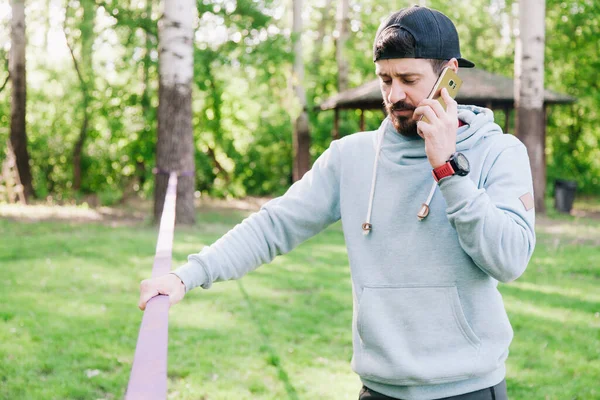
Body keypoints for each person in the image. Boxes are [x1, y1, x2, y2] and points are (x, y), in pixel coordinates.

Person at [139, 5, 535, 400]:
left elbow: (510, 259)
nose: (395, 95)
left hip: (469, 390)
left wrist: (448, 169)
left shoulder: (499, 151)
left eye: (409, 79)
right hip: (379, 390)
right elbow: (273, 226)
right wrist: (187, 275)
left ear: (449, 74)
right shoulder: (351, 157)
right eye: (385, 79)